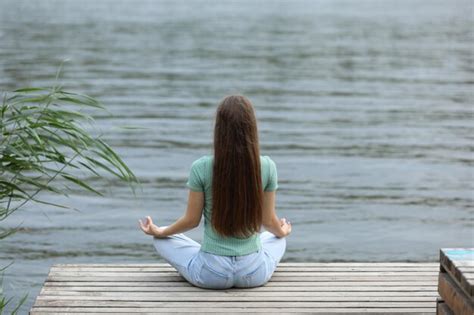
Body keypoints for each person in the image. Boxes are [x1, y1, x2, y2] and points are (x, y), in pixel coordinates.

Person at [138, 95, 292, 289]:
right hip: (253, 274)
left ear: (219, 129)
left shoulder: (201, 167)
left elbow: (191, 221)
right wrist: (282, 231)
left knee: (162, 240)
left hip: (211, 273)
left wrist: (160, 231)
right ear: (252, 128)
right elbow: (268, 221)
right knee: (276, 238)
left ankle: (196, 254)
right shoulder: (268, 166)